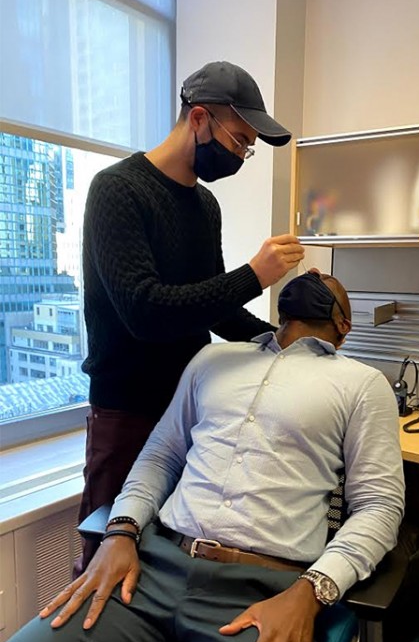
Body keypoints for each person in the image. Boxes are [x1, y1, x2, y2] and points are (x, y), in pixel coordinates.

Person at [0, 271, 405, 642]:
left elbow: (380, 506)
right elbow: (160, 456)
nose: (313, 275)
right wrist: (120, 530)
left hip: (258, 600)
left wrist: (312, 591)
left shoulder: (362, 384)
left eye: (327, 282)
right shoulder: (214, 359)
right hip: (148, 575)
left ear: (344, 325)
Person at [78, 59, 304, 574]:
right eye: (240, 140)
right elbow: (145, 312)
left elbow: (216, 308)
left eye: (248, 147)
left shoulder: (205, 206)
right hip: (127, 414)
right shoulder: (117, 190)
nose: (241, 155)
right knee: (106, 557)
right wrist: (255, 274)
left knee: (168, 556)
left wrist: (286, 341)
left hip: (190, 411)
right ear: (199, 118)